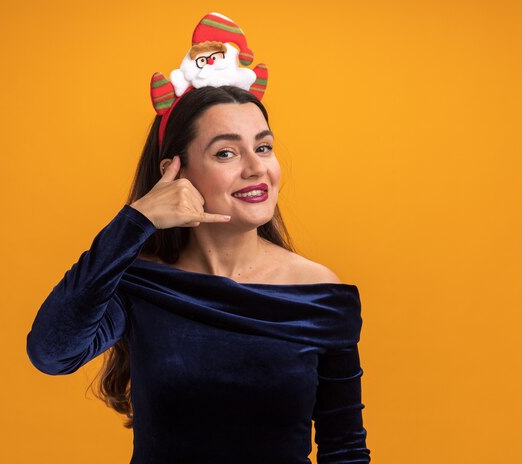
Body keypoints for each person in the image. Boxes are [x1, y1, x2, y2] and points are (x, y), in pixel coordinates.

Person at [26, 12, 371, 464]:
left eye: (263, 147)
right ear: (176, 172)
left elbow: (344, 448)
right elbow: (51, 352)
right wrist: (137, 220)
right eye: (226, 152)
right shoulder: (140, 285)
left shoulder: (319, 293)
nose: (255, 167)